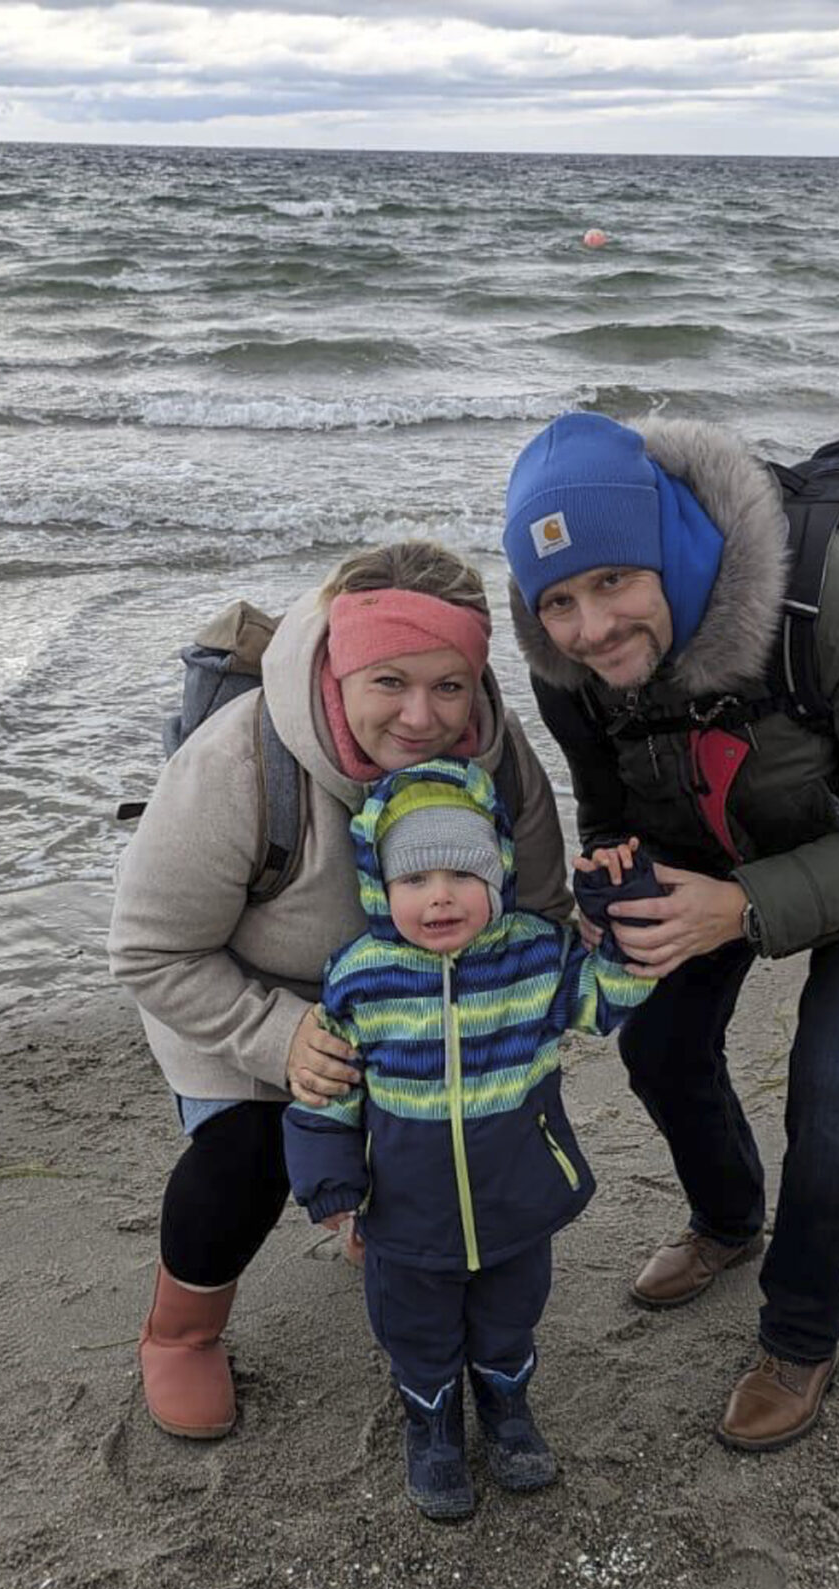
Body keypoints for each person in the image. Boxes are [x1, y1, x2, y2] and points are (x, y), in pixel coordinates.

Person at [499, 411, 839, 1452]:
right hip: (720, 822)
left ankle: (802, 1329)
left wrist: (740, 907)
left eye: (613, 582)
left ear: (673, 550)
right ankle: (728, 1220)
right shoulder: (570, 673)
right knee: (656, 1036)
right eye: (557, 600)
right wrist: (619, 877)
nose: (591, 629)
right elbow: (610, 807)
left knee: (833, 1084)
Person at [108, 542, 571, 1442]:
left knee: (454, 1131)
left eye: (450, 686)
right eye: (389, 681)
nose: (422, 716)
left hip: (425, 1002)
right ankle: (182, 1332)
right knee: (248, 1154)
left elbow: (542, 911)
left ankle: (393, 1236)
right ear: (338, 665)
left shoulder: (500, 762)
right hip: (243, 994)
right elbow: (150, 948)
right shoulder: (240, 763)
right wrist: (277, 1036)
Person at [283, 758, 652, 1520]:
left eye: (463, 872)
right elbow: (330, 1091)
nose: (440, 894)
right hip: (406, 1217)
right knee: (416, 1331)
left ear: (501, 872)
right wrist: (333, 1189)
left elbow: (607, 1001)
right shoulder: (360, 978)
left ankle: (507, 1407)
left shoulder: (536, 957)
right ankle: (433, 1427)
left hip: (517, 1202)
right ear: (381, 889)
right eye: (415, 879)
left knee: (510, 1317)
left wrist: (621, 916)